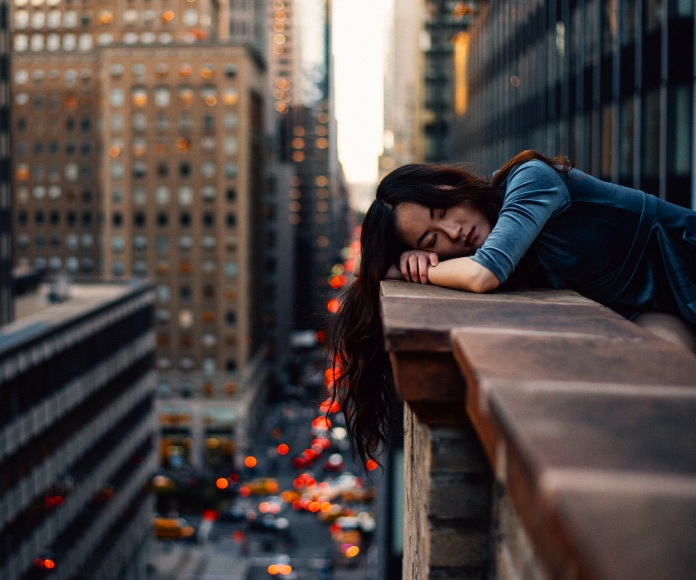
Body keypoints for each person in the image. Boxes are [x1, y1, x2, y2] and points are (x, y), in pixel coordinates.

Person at [328, 149, 696, 465]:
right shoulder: (502, 246)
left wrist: (406, 270)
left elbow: (484, 274)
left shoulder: (530, 179)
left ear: (452, 184)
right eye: (432, 239)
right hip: (654, 307)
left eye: (443, 210)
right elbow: (364, 268)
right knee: (660, 382)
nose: (454, 232)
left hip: (687, 266)